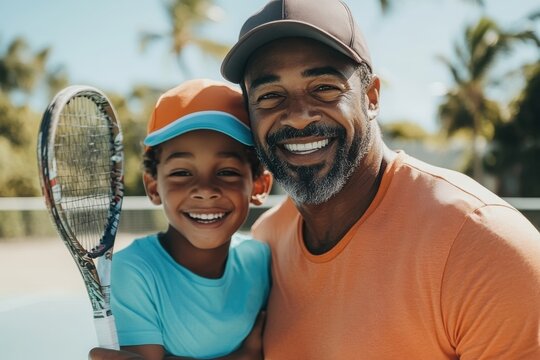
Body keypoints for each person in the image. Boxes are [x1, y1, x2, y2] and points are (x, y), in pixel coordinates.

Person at [218, 0, 540, 359]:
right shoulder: (267, 244)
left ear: (371, 97)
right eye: (270, 96)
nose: (296, 116)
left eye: (324, 87)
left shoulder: (481, 244)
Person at [90, 79, 272, 360]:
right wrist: (244, 356)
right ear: (153, 187)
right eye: (181, 173)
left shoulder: (260, 260)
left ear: (259, 186)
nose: (205, 190)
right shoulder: (135, 271)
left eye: (227, 171)